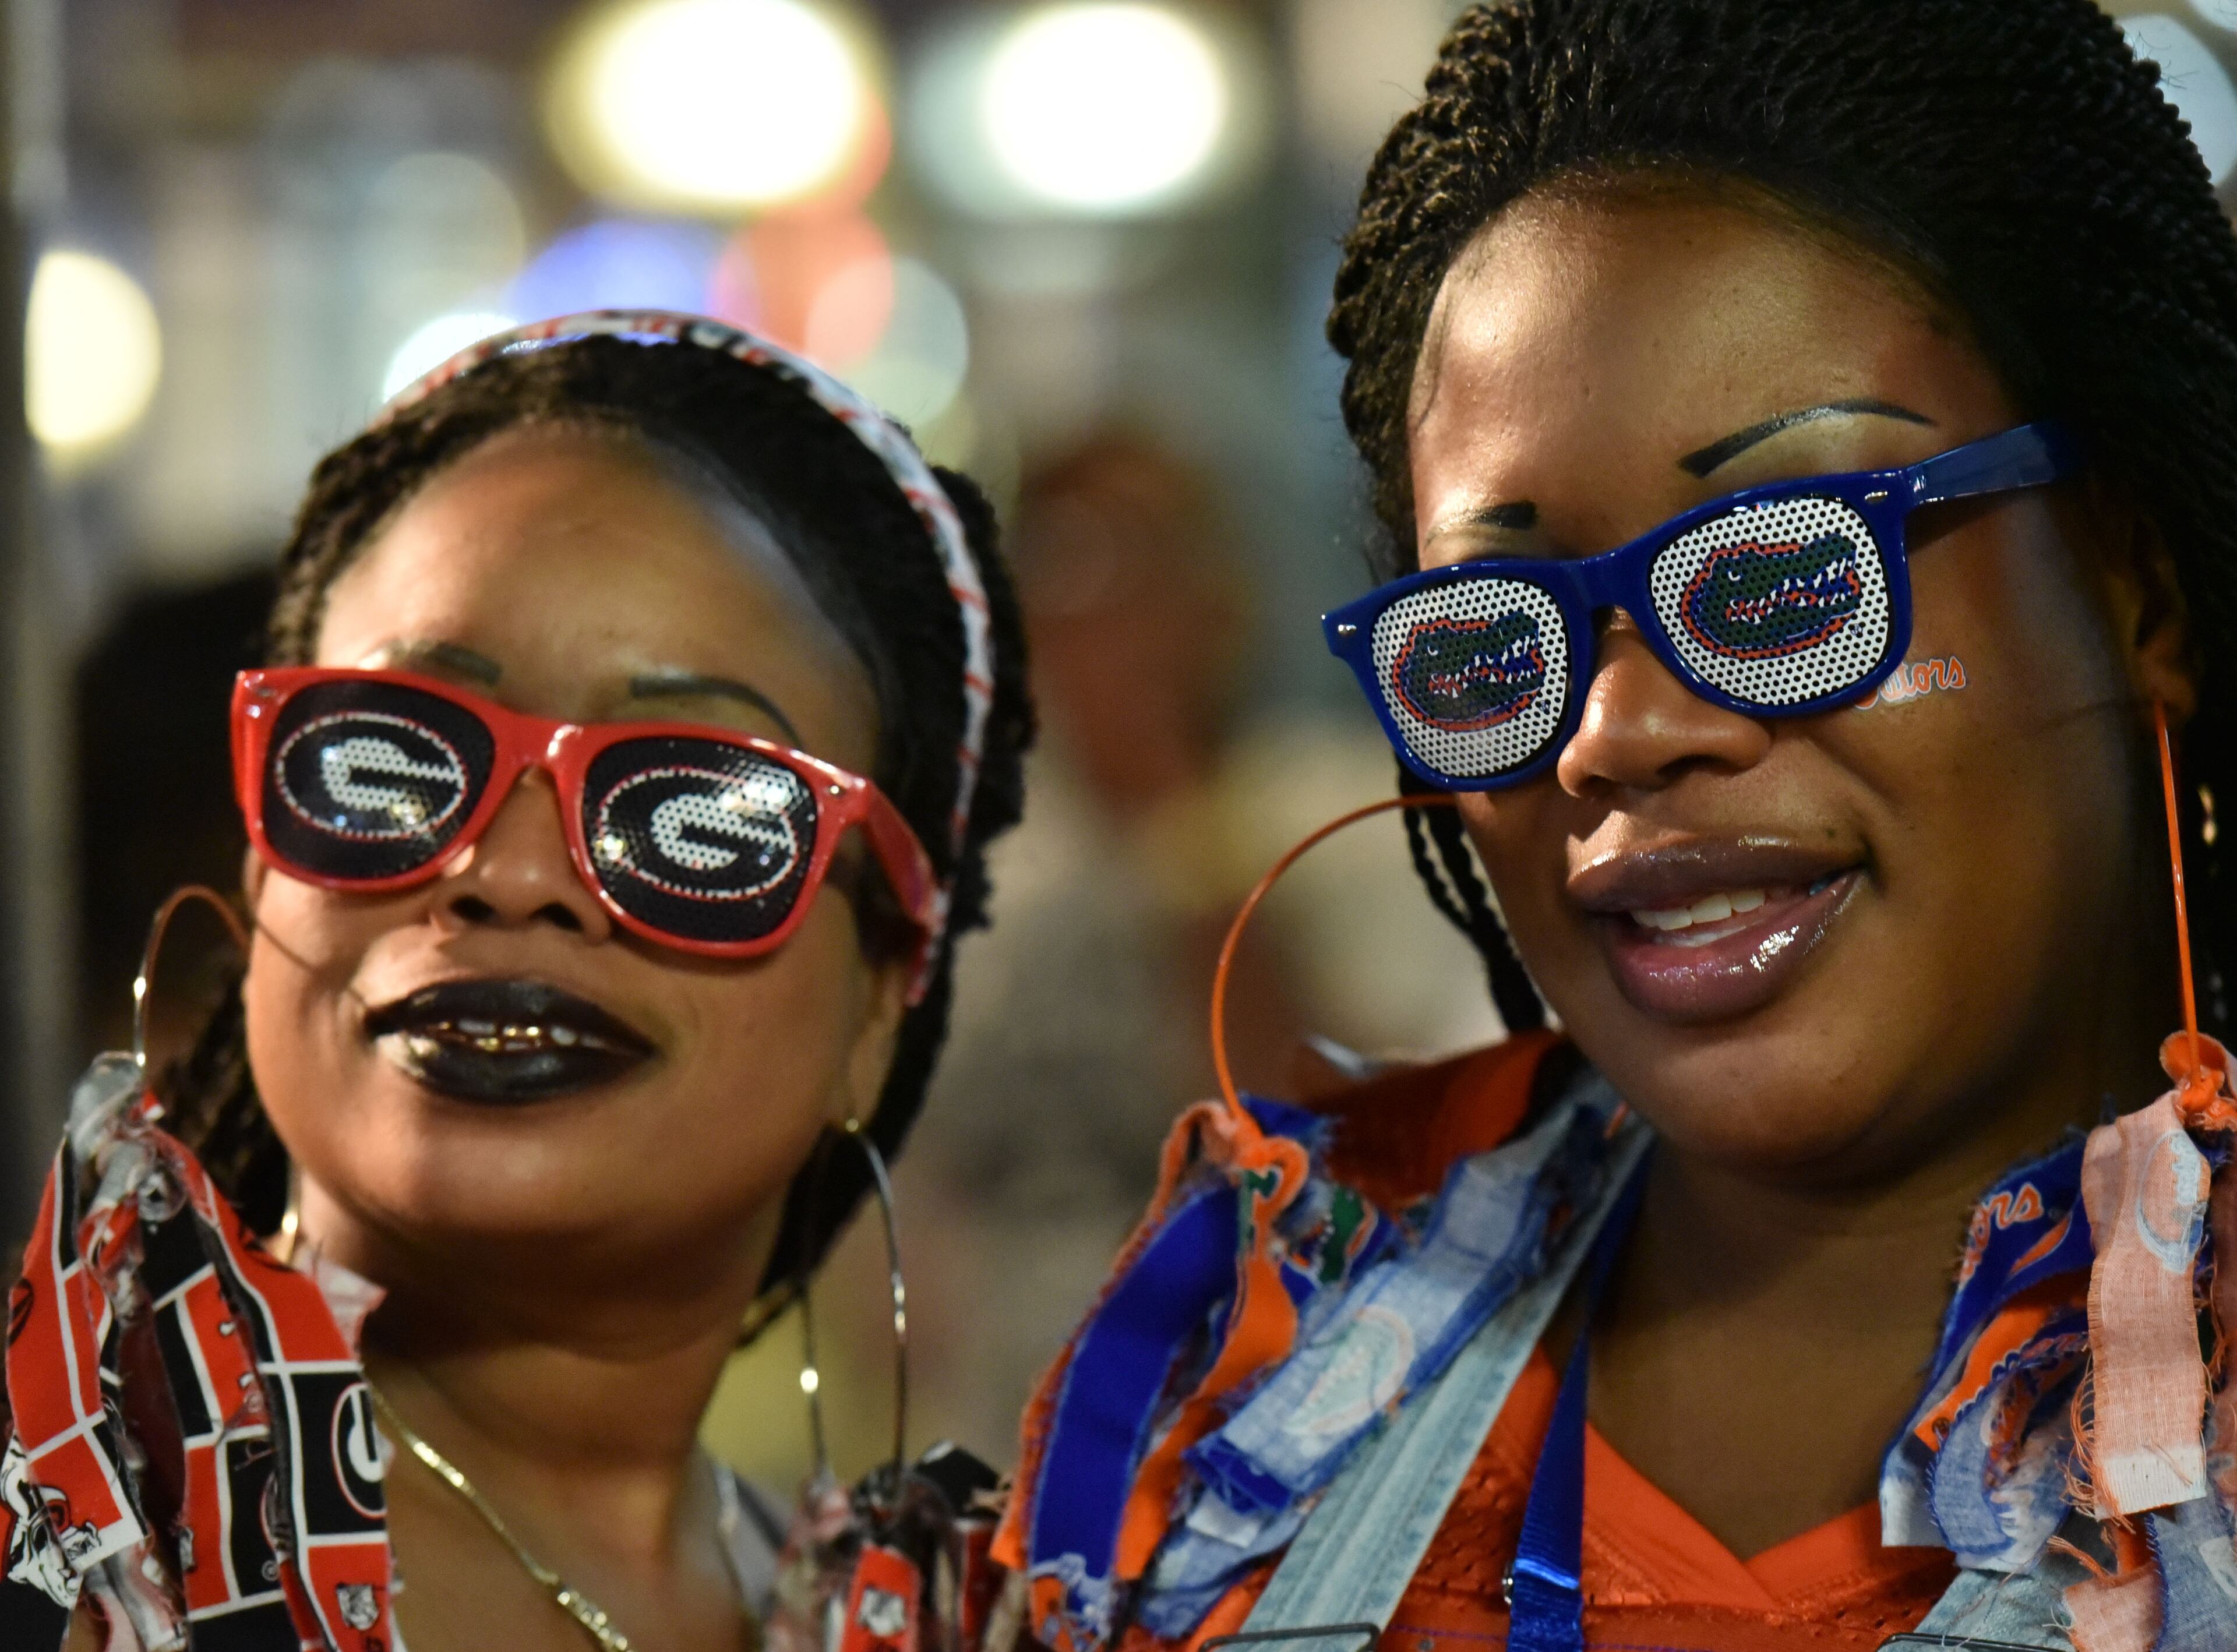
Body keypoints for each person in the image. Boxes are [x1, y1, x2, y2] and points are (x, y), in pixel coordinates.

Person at [993, 5, 2237, 1651]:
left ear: (2135, 579)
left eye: (1786, 577)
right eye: (1497, 639)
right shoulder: (1237, 1383)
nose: (1615, 734)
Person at [0, 311, 1032, 1652]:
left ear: (884, 993)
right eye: (392, 761)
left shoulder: (946, 1626)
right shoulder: (65, 1557)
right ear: (261, 876)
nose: (509, 873)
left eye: (692, 816)